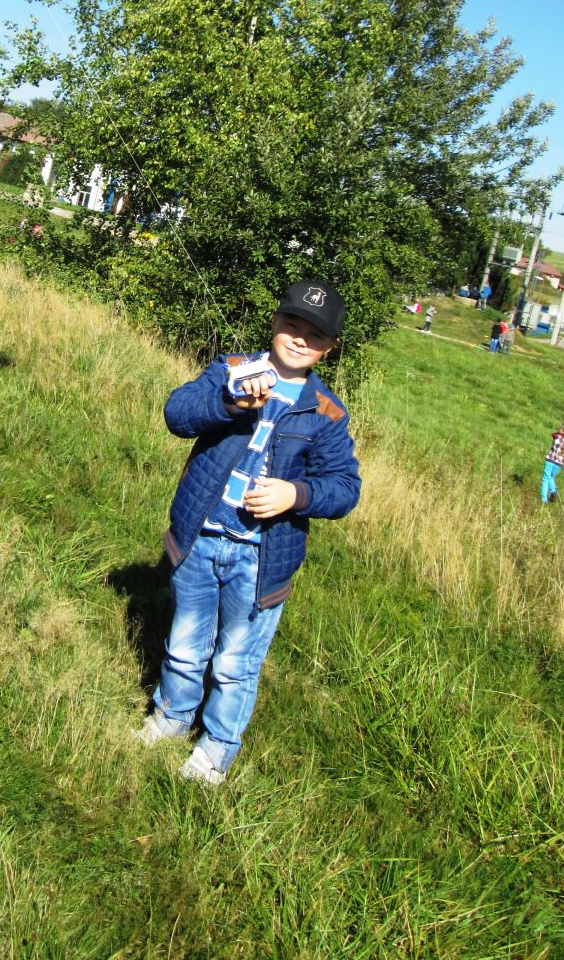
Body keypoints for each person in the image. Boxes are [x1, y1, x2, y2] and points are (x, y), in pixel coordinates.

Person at [136, 280, 361, 785]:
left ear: (331, 346)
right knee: (185, 642)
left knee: (237, 660)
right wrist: (228, 402)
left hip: (260, 558)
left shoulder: (326, 412)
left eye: (316, 335)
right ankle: (172, 715)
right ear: (275, 322)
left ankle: (216, 748)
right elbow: (177, 413)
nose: (300, 340)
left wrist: (294, 496)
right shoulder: (233, 370)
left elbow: (345, 487)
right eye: (292, 325)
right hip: (201, 539)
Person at [540, 425, 564, 503]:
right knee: (551, 477)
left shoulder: (557, 437)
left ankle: (544, 500)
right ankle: (553, 491)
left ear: (561, 430)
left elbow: (553, 435)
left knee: (545, 478)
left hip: (551, 460)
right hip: (559, 464)